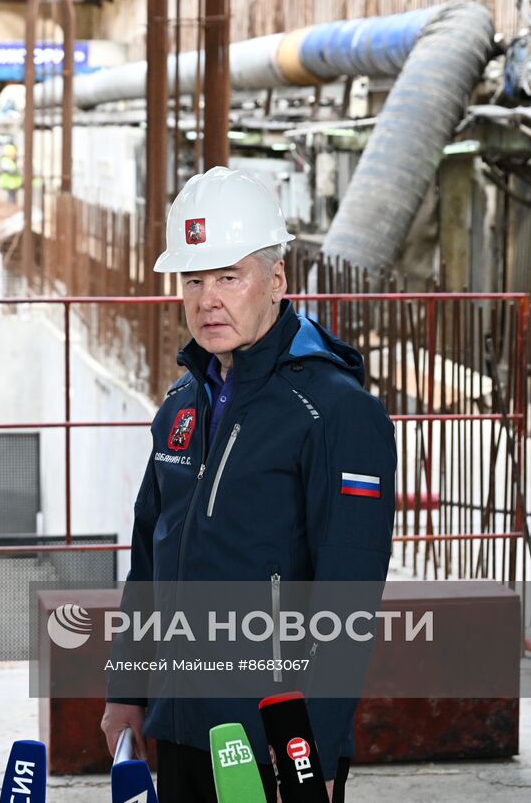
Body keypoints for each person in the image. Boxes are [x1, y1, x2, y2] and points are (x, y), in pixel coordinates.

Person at [100, 167, 396, 802]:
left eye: (229, 276)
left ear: (277, 281)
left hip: (270, 738)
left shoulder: (335, 412)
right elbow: (151, 558)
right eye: (194, 279)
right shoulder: (184, 402)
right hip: (181, 728)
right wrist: (127, 689)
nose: (208, 299)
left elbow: (349, 596)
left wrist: (306, 750)